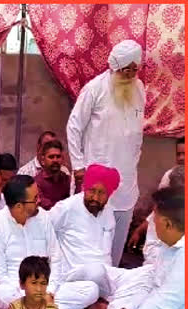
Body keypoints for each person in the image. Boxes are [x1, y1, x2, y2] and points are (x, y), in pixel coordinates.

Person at [67, 40, 145, 267]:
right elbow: (74, 126)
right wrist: (79, 165)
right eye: (125, 69)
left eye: (134, 68)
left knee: (116, 244)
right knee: (90, 242)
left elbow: (136, 132)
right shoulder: (95, 89)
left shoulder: (139, 89)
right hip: (96, 176)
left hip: (127, 178)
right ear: (114, 66)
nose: (130, 74)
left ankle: (110, 282)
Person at [0, 175, 99, 309]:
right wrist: (29, 292)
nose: (39, 201)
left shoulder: (43, 218)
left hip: (46, 287)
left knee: (91, 289)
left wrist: (49, 291)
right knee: (0, 295)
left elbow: (56, 259)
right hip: (17, 290)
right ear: (19, 206)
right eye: (35, 198)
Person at [101, 186, 184, 309]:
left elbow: (164, 301)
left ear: (168, 224)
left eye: (155, 218)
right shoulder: (166, 248)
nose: (151, 223)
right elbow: (151, 287)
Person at [50, 165, 148, 309]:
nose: (95, 197)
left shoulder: (108, 211)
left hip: (104, 274)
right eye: (91, 191)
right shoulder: (66, 207)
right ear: (84, 187)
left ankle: (93, 304)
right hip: (75, 274)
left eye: (101, 193)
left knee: (144, 275)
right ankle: (96, 304)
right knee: (95, 275)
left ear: (110, 194)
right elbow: (45, 234)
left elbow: (106, 252)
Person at [127, 137, 185, 261]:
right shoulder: (170, 175)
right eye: (178, 154)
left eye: (185, 154)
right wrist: (139, 231)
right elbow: (158, 209)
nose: (181, 158)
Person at [33, 140, 71, 210]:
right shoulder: (36, 183)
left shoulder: (68, 180)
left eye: (58, 156)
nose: (55, 160)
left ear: (62, 159)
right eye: (51, 157)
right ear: (43, 160)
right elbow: (47, 207)